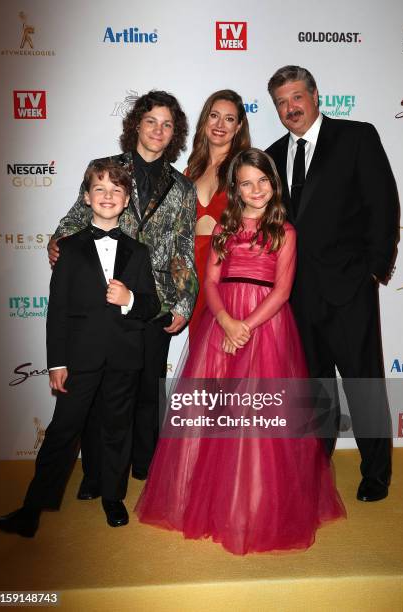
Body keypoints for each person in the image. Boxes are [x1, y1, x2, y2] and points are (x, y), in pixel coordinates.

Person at [135, 149, 345, 555]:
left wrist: (246, 326)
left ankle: (256, 503)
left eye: (261, 181)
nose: (255, 189)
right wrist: (228, 322)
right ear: (235, 188)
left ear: (273, 183)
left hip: (266, 328)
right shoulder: (223, 229)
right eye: (246, 183)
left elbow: (283, 291)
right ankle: (209, 501)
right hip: (223, 323)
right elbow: (209, 281)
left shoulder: (285, 230)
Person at [0, 161, 160, 537]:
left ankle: (113, 498)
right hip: (79, 358)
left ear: (127, 199)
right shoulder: (67, 249)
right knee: (63, 430)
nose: (108, 196)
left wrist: (130, 298)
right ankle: (32, 509)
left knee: (117, 429)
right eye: (100, 189)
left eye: (117, 190)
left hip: (124, 358)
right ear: (86, 197)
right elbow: (58, 311)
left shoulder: (139, 252)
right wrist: (56, 362)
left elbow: (152, 306)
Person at [47, 91, 198, 494]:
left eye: (167, 124)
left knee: (148, 387)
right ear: (136, 124)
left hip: (154, 302)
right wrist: (58, 239)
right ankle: (96, 476)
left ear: (175, 134)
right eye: (151, 121)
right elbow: (76, 218)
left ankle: (144, 469)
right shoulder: (108, 170)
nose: (158, 130)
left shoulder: (183, 188)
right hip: (104, 297)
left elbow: (184, 247)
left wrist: (182, 302)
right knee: (99, 393)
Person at [265, 65, 399, 502]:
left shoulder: (356, 137)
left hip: (349, 289)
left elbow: (383, 203)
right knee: (313, 387)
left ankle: (375, 473)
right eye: (282, 102)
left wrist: (374, 269)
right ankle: (315, 469)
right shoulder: (270, 154)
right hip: (296, 296)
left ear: (315, 95)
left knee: (364, 383)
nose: (291, 108)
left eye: (297, 97)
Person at [186, 90, 250, 338]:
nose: (220, 125)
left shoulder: (245, 168)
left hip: (227, 271)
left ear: (239, 126)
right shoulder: (190, 171)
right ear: (204, 121)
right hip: (193, 274)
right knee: (201, 358)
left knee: (227, 354)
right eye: (214, 116)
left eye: (229, 119)